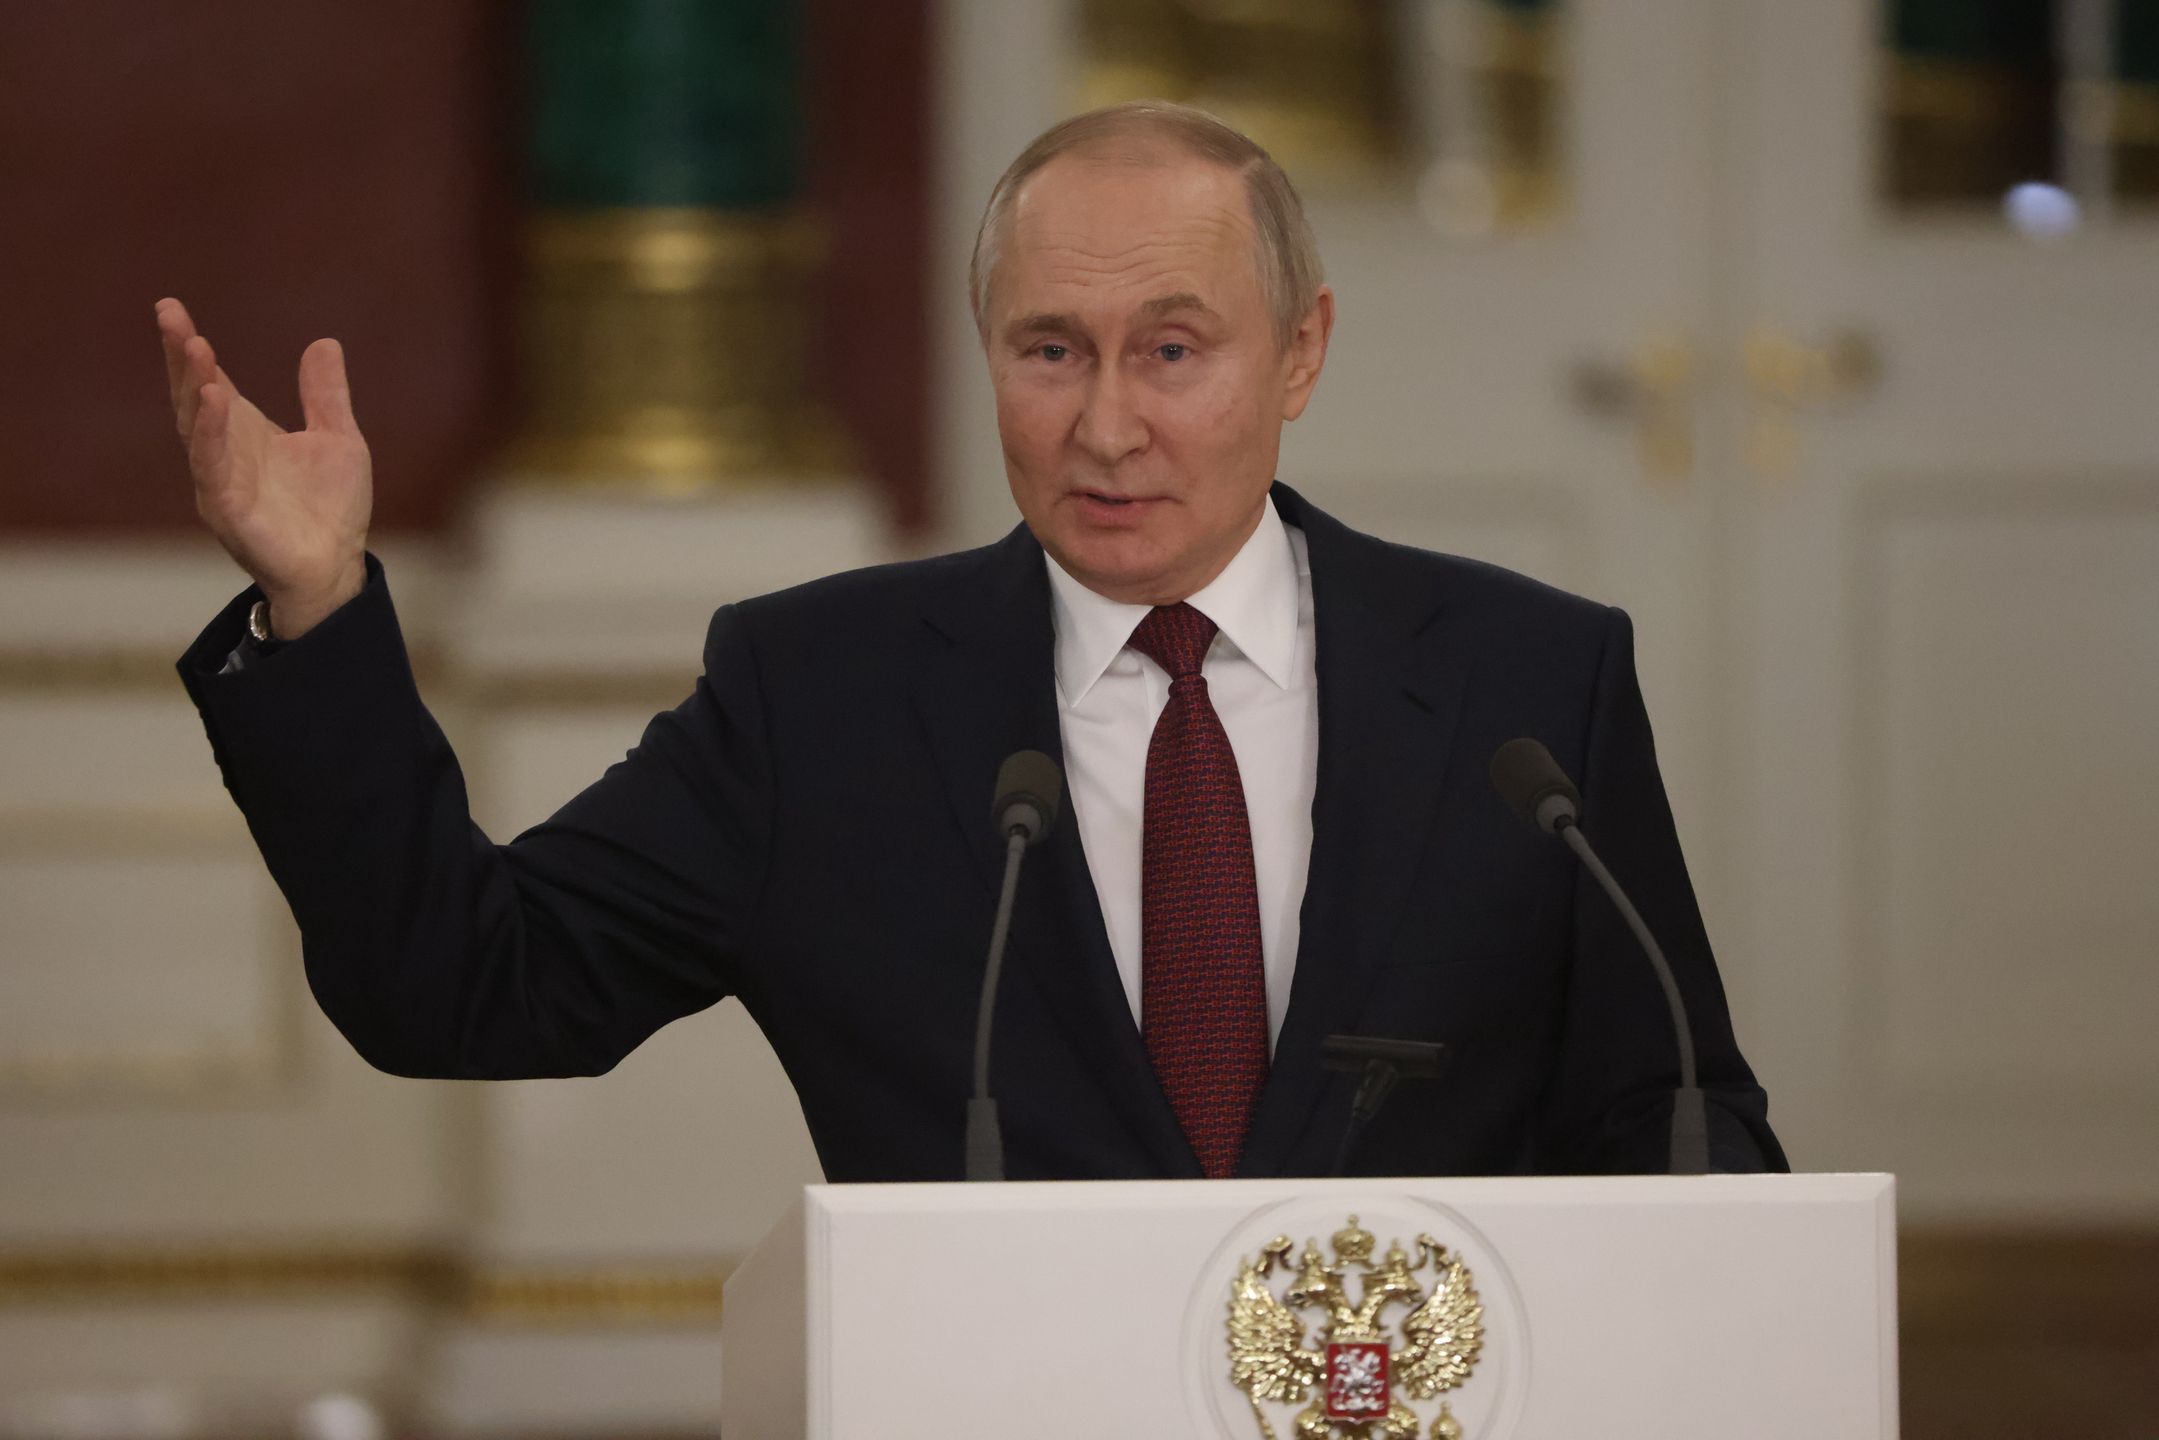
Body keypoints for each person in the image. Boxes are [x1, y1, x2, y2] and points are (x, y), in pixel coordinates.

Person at [158, 102, 1784, 1181]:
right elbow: (465, 989)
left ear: (1301, 353)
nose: (1107, 425)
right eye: (1050, 349)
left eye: (1172, 349)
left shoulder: (1526, 682)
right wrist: (317, 605)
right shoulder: (822, 698)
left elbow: (1684, 1127)